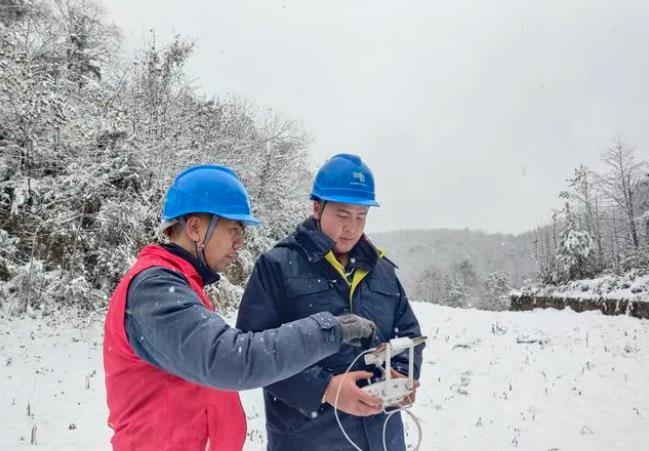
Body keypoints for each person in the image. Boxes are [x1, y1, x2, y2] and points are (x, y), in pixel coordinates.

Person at [103, 164, 377, 451]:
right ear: (196, 228)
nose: (240, 242)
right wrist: (328, 330)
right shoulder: (154, 289)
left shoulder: (181, 285)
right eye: (234, 228)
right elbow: (230, 359)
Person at [237, 154, 423, 451]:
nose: (351, 227)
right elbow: (253, 354)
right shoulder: (278, 266)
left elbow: (408, 335)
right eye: (342, 214)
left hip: (382, 438)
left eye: (361, 216)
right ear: (316, 207)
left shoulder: (382, 271)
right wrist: (324, 389)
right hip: (308, 439)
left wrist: (401, 373)